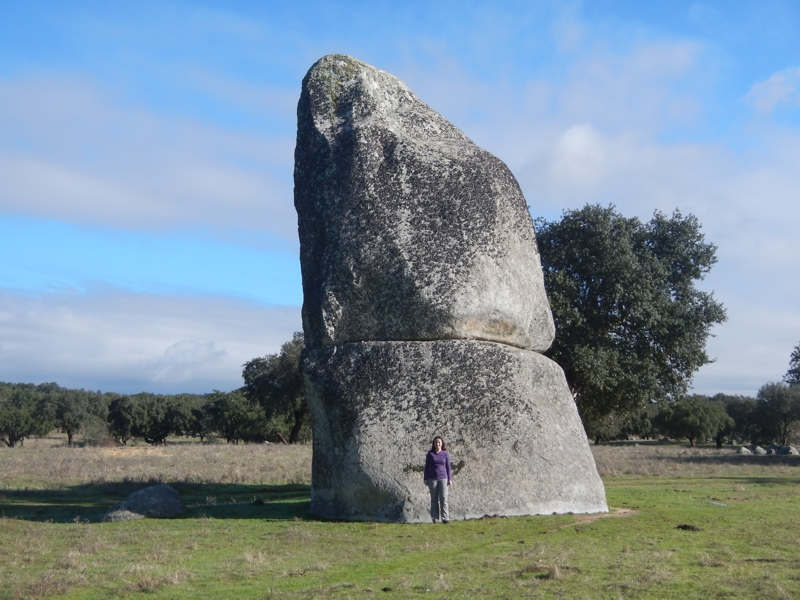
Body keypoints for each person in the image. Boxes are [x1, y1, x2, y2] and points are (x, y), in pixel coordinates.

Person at [423, 436, 452, 523]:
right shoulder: (430, 454)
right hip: (432, 478)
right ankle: (434, 517)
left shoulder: (445, 454)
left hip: (443, 478)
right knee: (434, 498)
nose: (438, 444)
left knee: (444, 498)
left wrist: (449, 479)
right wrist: (425, 478)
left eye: (439, 442)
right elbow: (427, 467)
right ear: (434, 444)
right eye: (436, 442)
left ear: (442, 443)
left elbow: (448, 467)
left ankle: (445, 518)